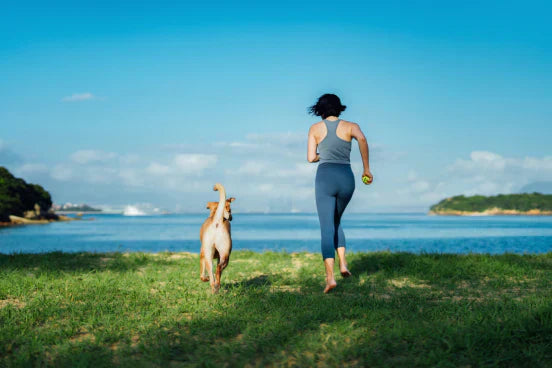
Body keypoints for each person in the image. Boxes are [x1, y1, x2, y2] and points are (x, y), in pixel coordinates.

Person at [307, 93, 372, 293]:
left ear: (321, 110)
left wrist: (324, 153)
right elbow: (362, 139)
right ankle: (343, 263)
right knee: (335, 221)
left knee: (327, 227)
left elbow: (311, 158)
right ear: (339, 108)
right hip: (346, 178)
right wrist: (366, 169)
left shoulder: (315, 129)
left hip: (325, 178)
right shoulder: (351, 126)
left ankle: (330, 279)